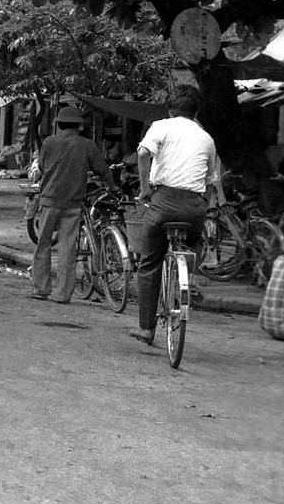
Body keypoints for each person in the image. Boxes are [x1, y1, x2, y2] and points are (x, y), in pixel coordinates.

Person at [128, 85, 223, 345]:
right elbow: (212, 181)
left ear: (170, 109)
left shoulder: (161, 125)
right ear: (196, 112)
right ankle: (188, 275)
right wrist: (203, 206)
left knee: (150, 262)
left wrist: (146, 189)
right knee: (196, 243)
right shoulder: (206, 138)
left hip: (163, 202)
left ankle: (147, 329)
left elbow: (143, 153)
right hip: (194, 207)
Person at [29, 106, 114, 304]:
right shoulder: (87, 145)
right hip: (73, 203)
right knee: (68, 248)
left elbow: (41, 167)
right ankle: (63, 294)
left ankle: (41, 289)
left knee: (43, 244)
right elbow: (103, 169)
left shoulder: (49, 142)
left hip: (49, 200)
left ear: (58, 124)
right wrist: (112, 187)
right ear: (79, 126)